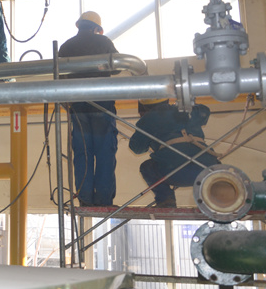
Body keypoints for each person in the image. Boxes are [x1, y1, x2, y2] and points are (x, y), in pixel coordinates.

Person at [59, 11, 119, 207]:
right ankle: (103, 200)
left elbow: (59, 77)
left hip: (77, 105)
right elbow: (118, 66)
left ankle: (85, 199)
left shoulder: (66, 46)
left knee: (83, 153)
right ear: (96, 28)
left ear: (79, 25)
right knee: (104, 152)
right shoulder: (103, 42)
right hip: (101, 102)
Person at [129, 99, 220, 208]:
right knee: (216, 164)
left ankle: (166, 200)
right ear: (166, 99)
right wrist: (187, 104)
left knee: (146, 167)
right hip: (207, 171)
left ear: (144, 107)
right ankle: (219, 199)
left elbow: (137, 148)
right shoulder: (185, 110)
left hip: (174, 172)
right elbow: (205, 111)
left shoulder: (148, 119)